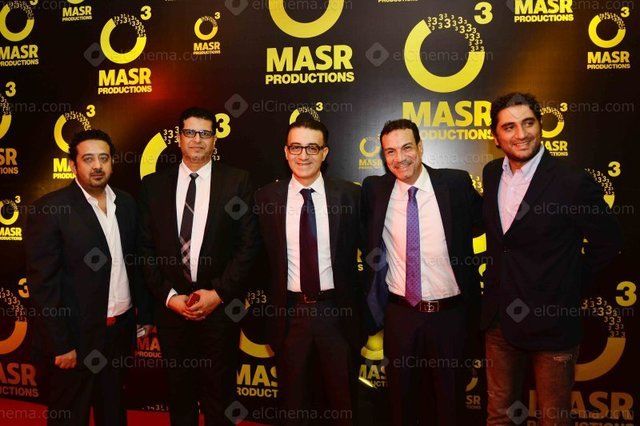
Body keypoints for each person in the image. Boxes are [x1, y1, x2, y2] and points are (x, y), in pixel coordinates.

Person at [481, 92, 623, 425]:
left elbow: (609, 242)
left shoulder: (572, 181)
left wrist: (569, 287)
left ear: (540, 126)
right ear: (496, 137)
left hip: (553, 323)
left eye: (528, 123)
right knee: (499, 415)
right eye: (509, 127)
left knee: (554, 418)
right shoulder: (491, 173)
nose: (521, 134)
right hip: (500, 321)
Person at [138, 107, 259, 425]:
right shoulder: (153, 186)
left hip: (219, 311)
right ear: (179, 138)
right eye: (190, 132)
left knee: (220, 396)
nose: (197, 139)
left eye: (205, 133)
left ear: (214, 140)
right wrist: (170, 298)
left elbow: (248, 247)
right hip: (172, 311)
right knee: (179, 395)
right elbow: (145, 250)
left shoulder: (237, 181)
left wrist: (217, 294)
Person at [25, 129, 152, 426]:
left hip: (118, 333)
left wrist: (144, 316)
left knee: (113, 412)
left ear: (112, 163)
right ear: (73, 165)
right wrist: (60, 344)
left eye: (104, 158)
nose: (97, 166)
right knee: (70, 415)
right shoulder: (51, 209)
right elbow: (43, 285)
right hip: (75, 338)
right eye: (88, 159)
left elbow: (136, 264)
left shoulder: (127, 204)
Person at [362, 119, 482, 426]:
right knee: (401, 403)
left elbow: (488, 223)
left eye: (406, 148)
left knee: (450, 405)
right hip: (400, 315)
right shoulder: (375, 190)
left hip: (450, 316)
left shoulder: (455, 184)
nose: (399, 158)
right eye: (390, 151)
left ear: (420, 147)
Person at [254, 119, 361, 425]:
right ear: (286, 152)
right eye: (296, 147)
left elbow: (373, 254)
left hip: (337, 314)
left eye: (312, 147)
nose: (304, 155)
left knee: (343, 405)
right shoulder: (265, 198)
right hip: (289, 315)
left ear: (325, 153)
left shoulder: (350, 196)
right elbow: (255, 259)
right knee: (293, 406)